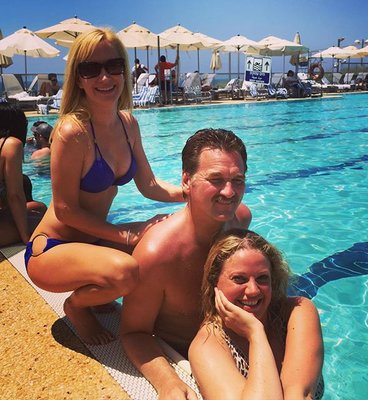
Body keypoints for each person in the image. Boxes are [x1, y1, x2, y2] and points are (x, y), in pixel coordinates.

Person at [24, 28, 184, 346]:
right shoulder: (72, 132)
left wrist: (190, 192)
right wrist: (124, 235)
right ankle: (77, 305)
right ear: (78, 78)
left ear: (124, 71)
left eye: (113, 66)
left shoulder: (128, 124)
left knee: (168, 243)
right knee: (125, 271)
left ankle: (103, 292)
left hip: (95, 241)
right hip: (52, 249)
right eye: (91, 69)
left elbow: (150, 185)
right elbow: (66, 211)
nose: (105, 77)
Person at [121, 128, 252, 400]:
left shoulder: (240, 219)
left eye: (237, 180)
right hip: (189, 353)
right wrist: (167, 382)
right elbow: (134, 333)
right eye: (216, 179)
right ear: (186, 180)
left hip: (232, 342)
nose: (229, 192)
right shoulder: (157, 254)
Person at [189, 228, 324, 400]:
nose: (253, 290)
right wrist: (256, 333)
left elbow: (299, 396)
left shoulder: (296, 312)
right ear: (215, 282)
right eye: (239, 279)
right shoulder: (208, 346)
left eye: (262, 278)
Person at [0, 101, 47, 247]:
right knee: (45, 223)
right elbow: (15, 195)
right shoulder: (10, 144)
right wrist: (26, 237)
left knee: (39, 208)